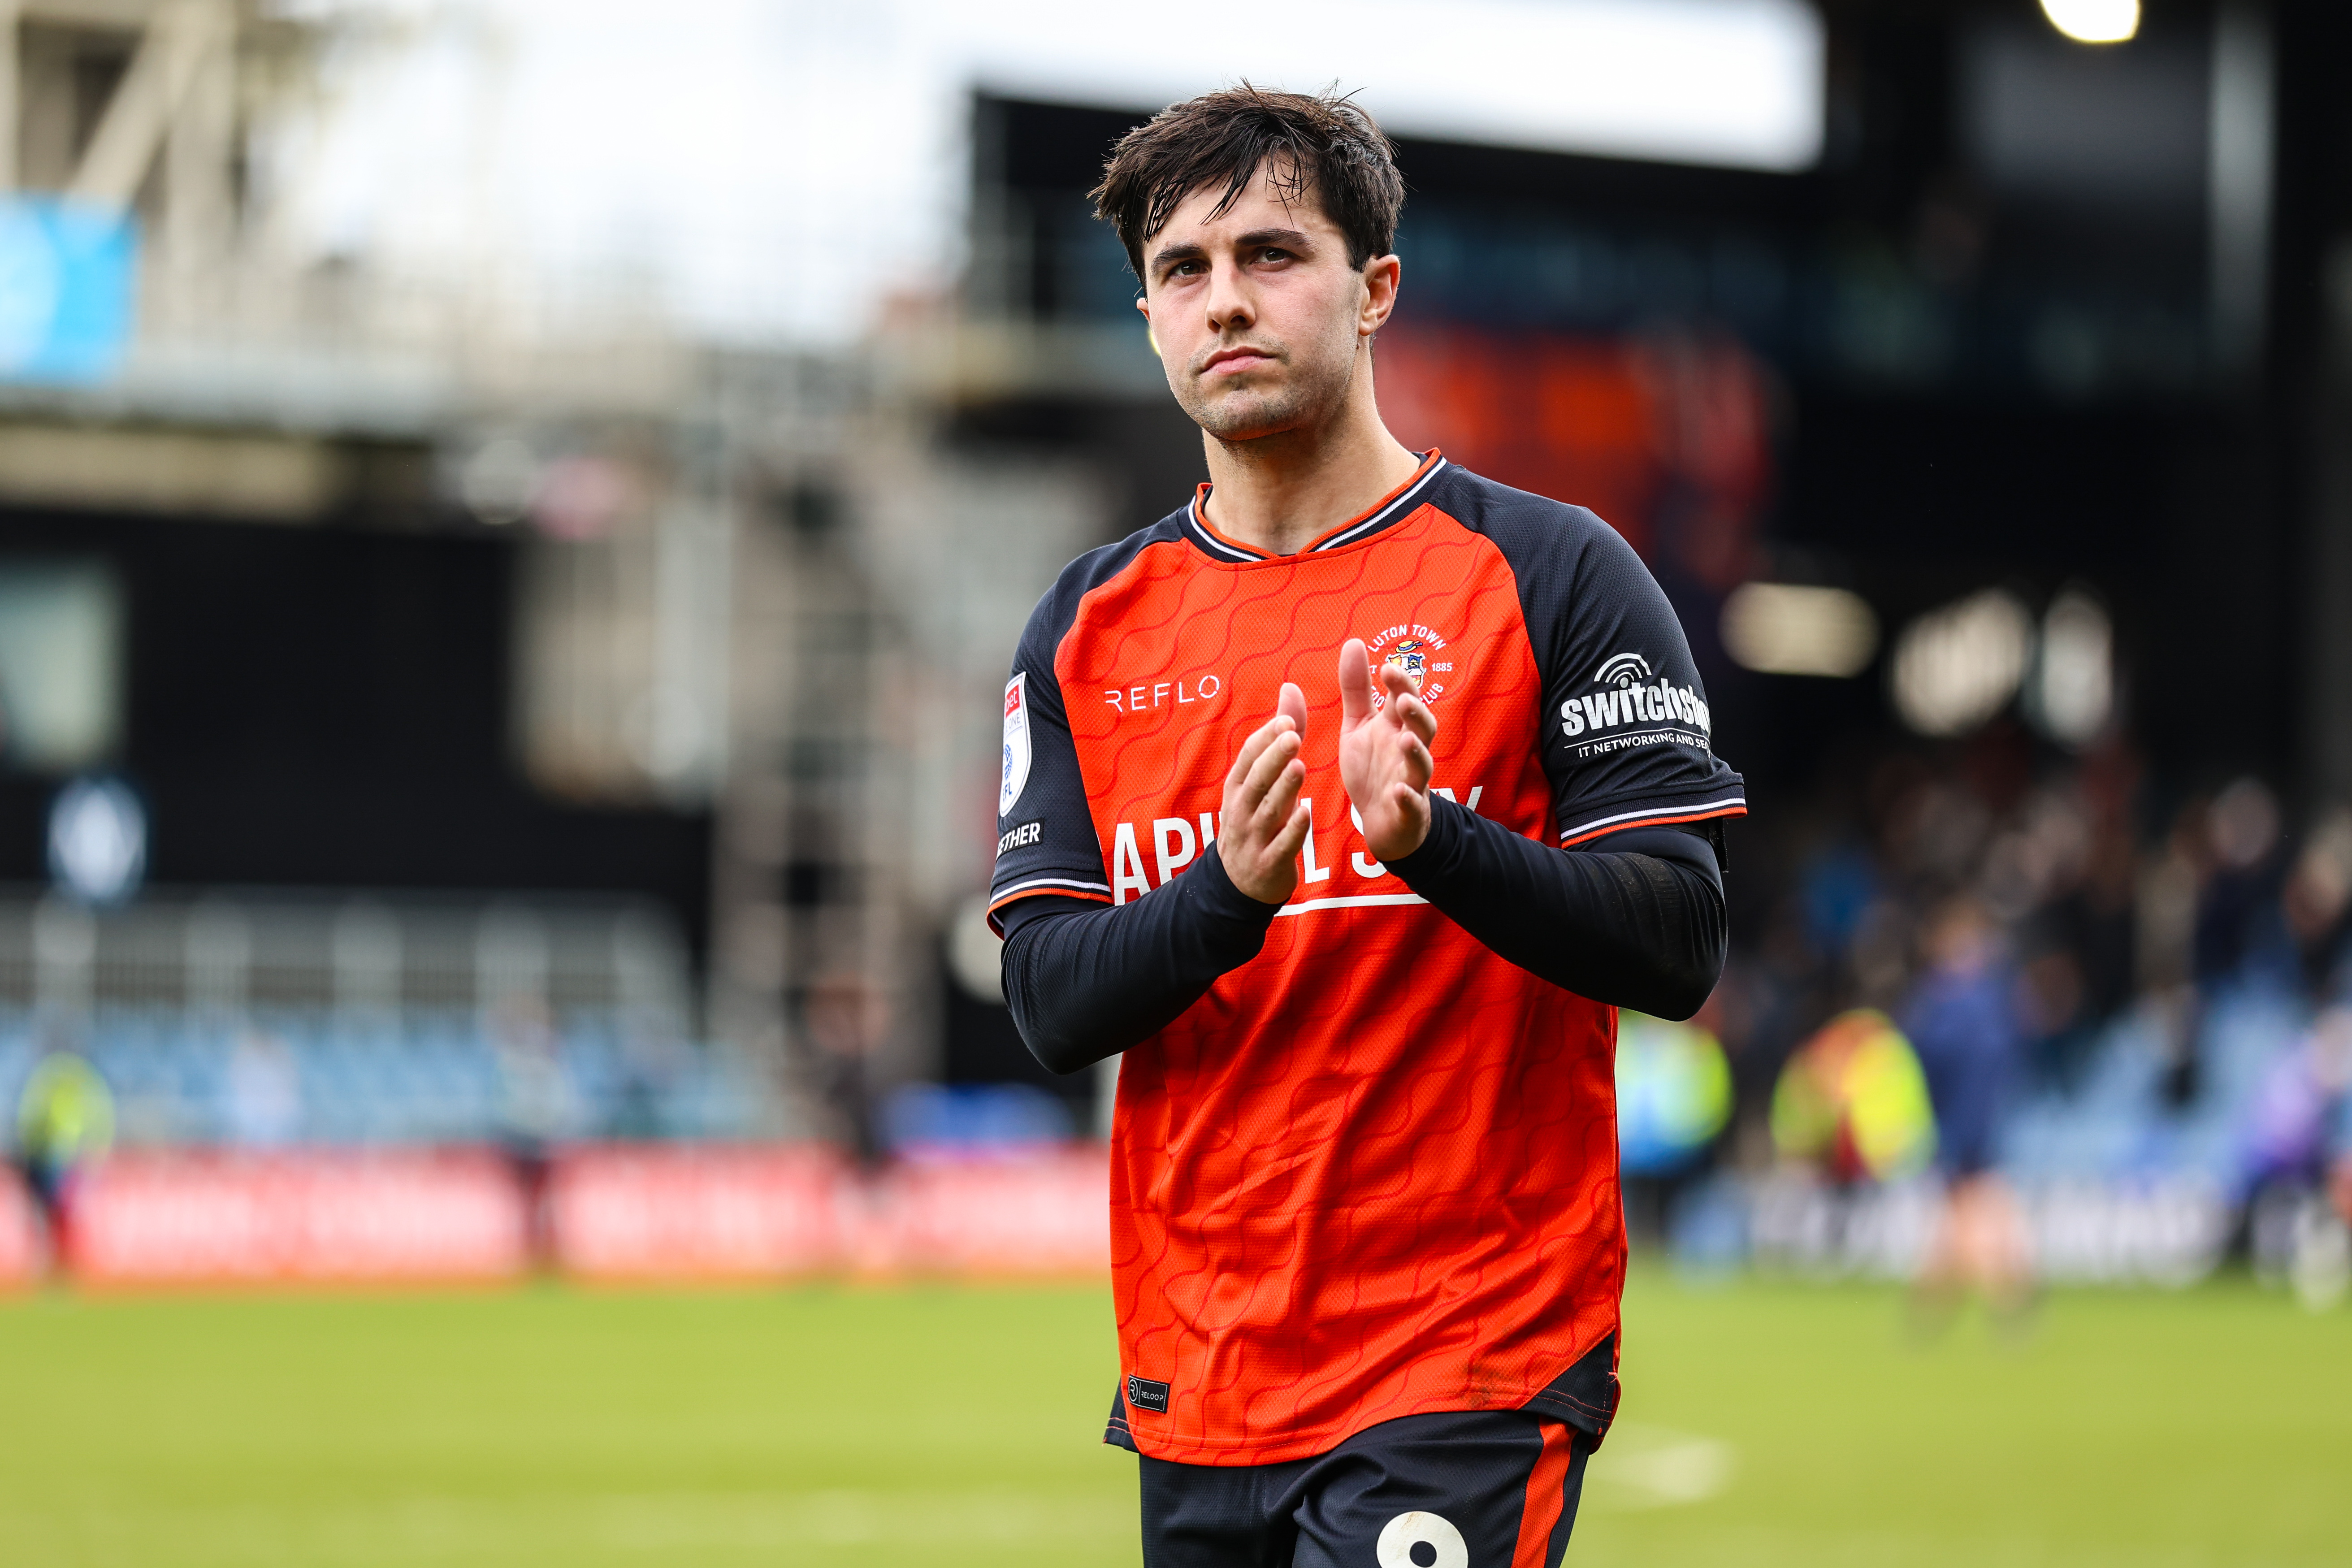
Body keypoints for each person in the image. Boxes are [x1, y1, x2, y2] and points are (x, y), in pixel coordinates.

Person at [988, 88, 1743, 1568]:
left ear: (1373, 287)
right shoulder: (1082, 626)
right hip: (1200, 1370)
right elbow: (1046, 999)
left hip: (1464, 1348)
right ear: (1146, 316)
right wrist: (1225, 892)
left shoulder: (1550, 572)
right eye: (1183, 270)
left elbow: (1677, 936)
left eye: (1269, 255)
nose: (1224, 302)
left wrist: (1431, 843)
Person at [1900, 896, 2031, 1328]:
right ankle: (1938, 1305)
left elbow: (1922, 1058)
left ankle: (2001, 1301)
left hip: (1957, 1120)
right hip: (1982, 1117)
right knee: (1971, 1210)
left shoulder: (1942, 1003)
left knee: (1967, 1214)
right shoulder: (1996, 999)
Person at [13, 1042, 114, 1274]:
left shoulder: (50, 1079)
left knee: (59, 1213)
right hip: (51, 1158)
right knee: (54, 1213)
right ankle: (57, 1263)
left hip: (61, 1160)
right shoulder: (64, 1080)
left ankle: (62, 1263)